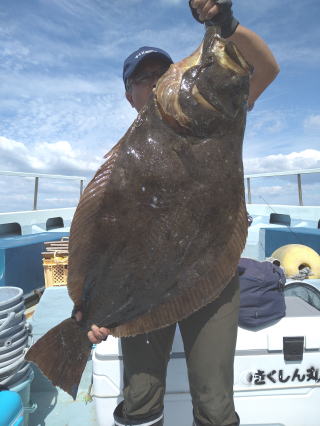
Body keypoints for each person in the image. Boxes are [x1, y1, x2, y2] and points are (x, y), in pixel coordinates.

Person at [75, 1, 280, 425]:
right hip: (145, 282)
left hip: (211, 273)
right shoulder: (124, 159)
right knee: (141, 398)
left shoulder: (214, 106)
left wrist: (223, 24)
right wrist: (89, 307)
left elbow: (266, 66)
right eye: (141, 79)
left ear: (176, 77)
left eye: (160, 74)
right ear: (129, 95)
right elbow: (102, 237)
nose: (152, 83)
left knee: (215, 402)